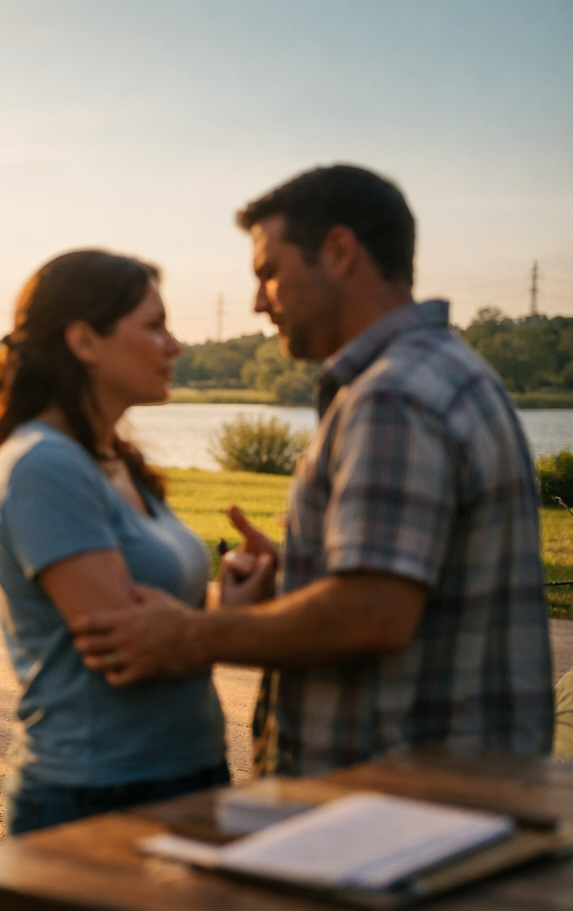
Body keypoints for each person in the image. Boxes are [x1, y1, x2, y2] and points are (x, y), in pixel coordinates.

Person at [72, 165, 553, 777]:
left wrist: (192, 635)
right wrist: (301, 580)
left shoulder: (391, 396)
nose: (257, 301)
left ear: (339, 251)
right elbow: (406, 590)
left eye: (270, 273)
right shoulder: (451, 372)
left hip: (394, 812)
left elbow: (371, 613)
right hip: (451, 798)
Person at [0, 250, 227, 911]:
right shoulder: (45, 465)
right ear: (84, 340)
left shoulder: (113, 461)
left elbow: (170, 621)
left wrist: (226, 605)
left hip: (179, 783)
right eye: (154, 325)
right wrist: (226, 628)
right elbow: (127, 648)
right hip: (103, 799)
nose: (174, 344)